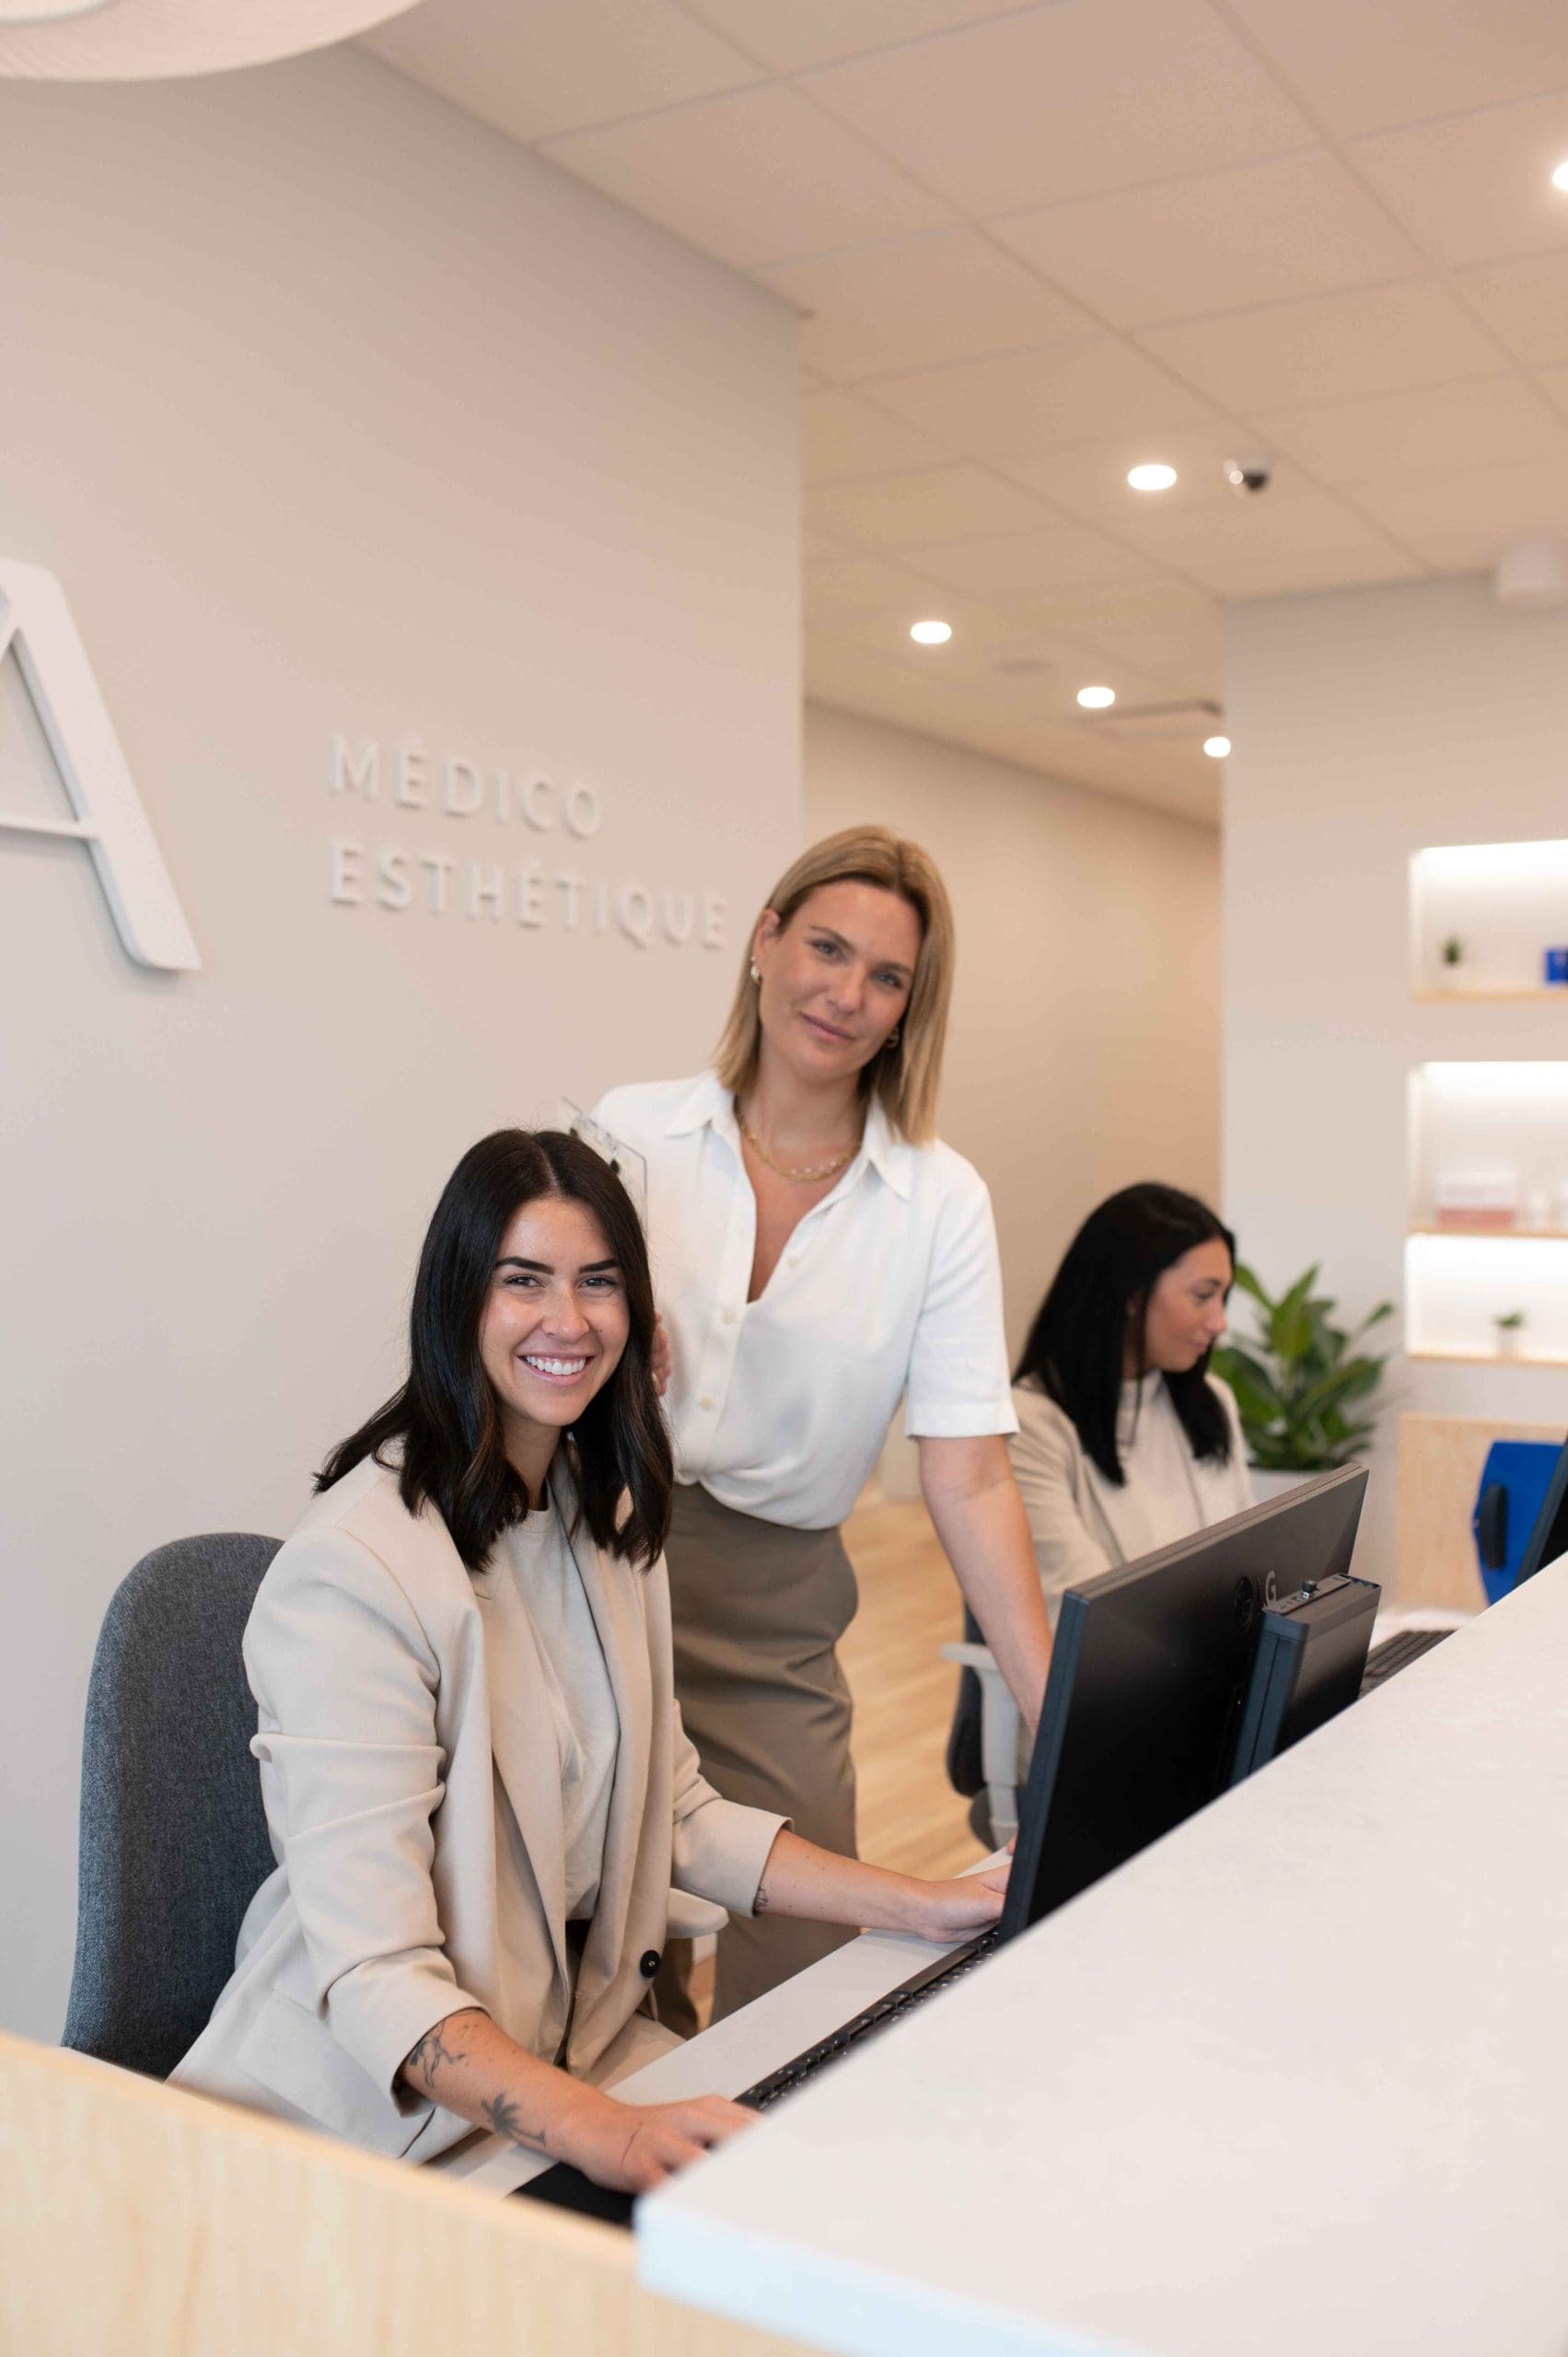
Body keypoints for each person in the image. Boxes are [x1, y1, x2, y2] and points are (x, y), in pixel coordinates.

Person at [172, 1131, 1007, 2194]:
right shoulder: (354, 1571)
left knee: (841, 2189)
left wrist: (917, 1902)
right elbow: (375, 1974)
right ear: (458, 1300)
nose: (567, 1322)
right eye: (524, 1281)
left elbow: (675, 1811)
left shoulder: (598, 1516)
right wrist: (604, 2133)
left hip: (572, 2054)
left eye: (598, 1284)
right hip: (369, 2118)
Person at [594, 826, 1052, 2026]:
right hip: (584, 1568)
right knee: (586, 1952)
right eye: (825, 949)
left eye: (886, 976)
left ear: (910, 1007)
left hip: (773, 1615)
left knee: (801, 1974)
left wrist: (1052, 1703)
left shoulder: (937, 1201)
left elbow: (969, 1475)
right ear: (763, 943)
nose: (846, 993)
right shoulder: (629, 1139)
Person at [1010, 1183, 1253, 1623]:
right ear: (1131, 1295)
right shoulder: (1030, 1428)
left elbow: (1253, 1573)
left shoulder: (1210, 1402)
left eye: (1222, 1298)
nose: (1219, 1323)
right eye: (1202, 1296)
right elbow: (1086, 1620)